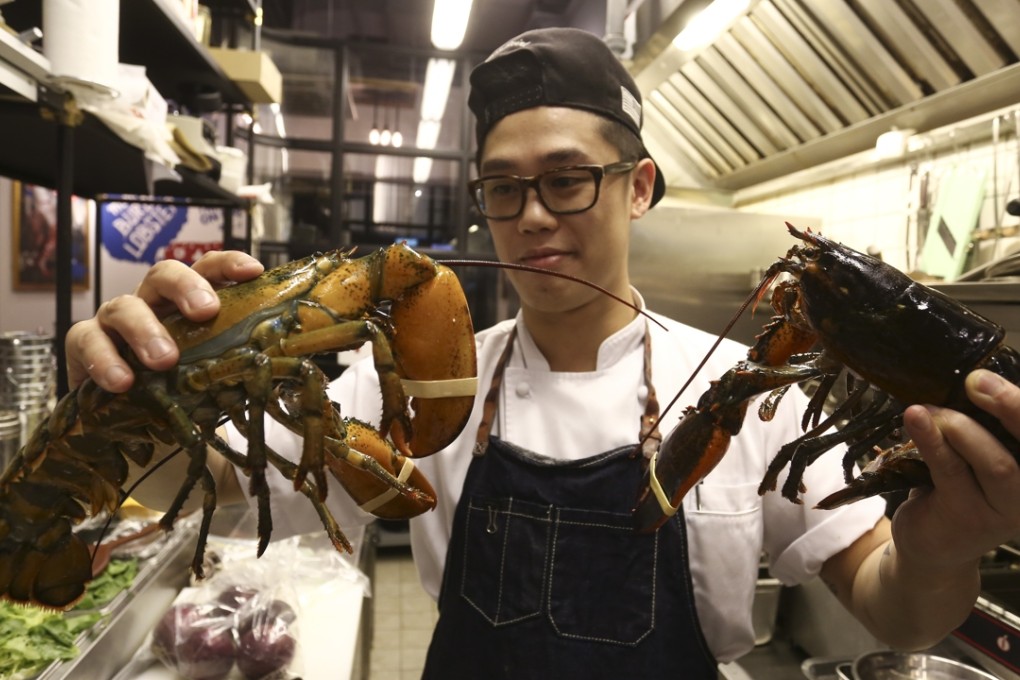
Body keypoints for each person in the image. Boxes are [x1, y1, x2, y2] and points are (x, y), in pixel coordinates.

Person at [67, 27, 1020, 678]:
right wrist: (128, 401)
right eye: (501, 188)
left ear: (638, 186)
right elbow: (199, 487)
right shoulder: (424, 379)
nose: (530, 219)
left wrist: (943, 548)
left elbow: (901, 613)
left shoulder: (755, 392)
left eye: (568, 181)